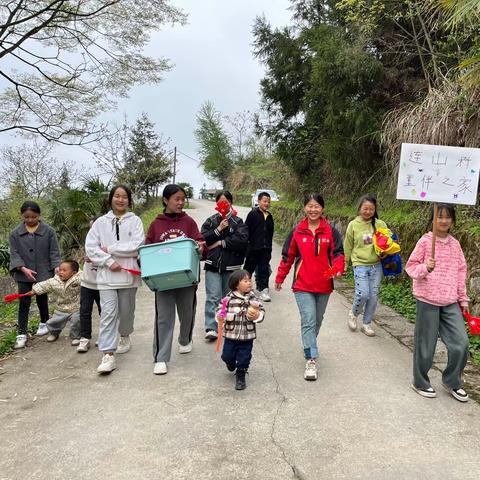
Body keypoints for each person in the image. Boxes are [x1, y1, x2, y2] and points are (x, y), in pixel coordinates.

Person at [275, 194, 344, 381]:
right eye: (309, 206)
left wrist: (337, 269)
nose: (313, 210)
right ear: (304, 208)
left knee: (317, 320)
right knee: (309, 319)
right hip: (302, 284)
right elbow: (287, 256)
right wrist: (280, 277)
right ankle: (311, 359)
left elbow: (338, 253)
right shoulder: (297, 231)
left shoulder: (331, 231)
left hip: (324, 284)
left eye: (317, 206)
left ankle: (308, 342)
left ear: (322, 208)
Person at [406, 203, 470, 402]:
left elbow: (461, 272)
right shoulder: (425, 242)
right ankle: (420, 381)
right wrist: (426, 267)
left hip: (450, 300)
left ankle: (452, 381)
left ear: (453, 220)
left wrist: (463, 298)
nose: (443, 221)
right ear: (433, 219)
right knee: (426, 344)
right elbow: (411, 267)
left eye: (447, 217)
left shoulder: (455, 244)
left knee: (461, 343)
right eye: (439, 217)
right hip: (427, 299)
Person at [145, 184, 205, 376]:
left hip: (186, 279)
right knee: (163, 318)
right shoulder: (156, 224)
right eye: (176, 199)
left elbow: (200, 241)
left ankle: (185, 339)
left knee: (187, 313)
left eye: (182, 199)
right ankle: (161, 358)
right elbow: (147, 249)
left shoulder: (188, 222)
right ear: (165, 200)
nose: (180, 203)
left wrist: (201, 247)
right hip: (163, 280)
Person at [85, 185, 144, 374]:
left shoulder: (135, 221)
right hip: (106, 277)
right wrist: (108, 261)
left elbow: (137, 246)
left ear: (129, 200)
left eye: (124, 197)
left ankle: (125, 335)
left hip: (129, 276)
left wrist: (109, 249)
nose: (120, 200)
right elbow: (91, 247)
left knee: (127, 312)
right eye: (117, 196)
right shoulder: (100, 222)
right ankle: (108, 354)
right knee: (108, 313)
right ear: (111, 199)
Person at [9, 200, 61, 349]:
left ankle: (44, 322)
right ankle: (22, 333)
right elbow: (14, 253)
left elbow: (54, 251)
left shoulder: (49, 231)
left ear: (39, 215)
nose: (30, 220)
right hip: (23, 272)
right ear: (22, 216)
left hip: (43, 270)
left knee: (41, 298)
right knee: (24, 301)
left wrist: (56, 266)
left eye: (34, 217)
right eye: (27, 217)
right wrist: (22, 268)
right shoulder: (14, 234)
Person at [201, 191, 248, 341]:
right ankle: (211, 327)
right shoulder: (211, 221)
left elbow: (242, 241)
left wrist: (222, 242)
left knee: (228, 298)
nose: (223, 205)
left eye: (226, 202)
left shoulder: (238, 222)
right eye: (220, 202)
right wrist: (218, 229)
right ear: (216, 204)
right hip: (212, 265)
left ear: (231, 203)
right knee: (213, 297)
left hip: (232, 268)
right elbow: (203, 239)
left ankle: (228, 324)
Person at [343, 195, 389, 337]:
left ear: (375, 210)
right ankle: (353, 313)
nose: (368, 211)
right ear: (359, 209)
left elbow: (388, 242)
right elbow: (348, 246)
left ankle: (367, 323)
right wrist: (344, 264)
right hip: (359, 264)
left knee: (373, 297)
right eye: (365, 208)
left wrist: (385, 252)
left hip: (376, 265)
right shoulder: (353, 225)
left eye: (371, 209)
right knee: (363, 293)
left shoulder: (380, 224)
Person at [216, 269, 265, 390]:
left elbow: (262, 310)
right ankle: (230, 362)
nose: (249, 283)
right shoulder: (228, 299)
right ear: (236, 284)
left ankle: (241, 374)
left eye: (250, 280)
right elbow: (219, 310)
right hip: (230, 335)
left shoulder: (253, 299)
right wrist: (220, 316)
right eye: (245, 281)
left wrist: (258, 315)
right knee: (227, 355)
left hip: (247, 336)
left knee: (245, 357)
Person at [28, 260, 82, 343]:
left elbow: (87, 280)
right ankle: (54, 333)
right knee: (54, 322)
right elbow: (44, 285)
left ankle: (76, 336)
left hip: (76, 307)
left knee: (77, 321)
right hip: (61, 307)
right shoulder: (54, 281)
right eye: (60, 270)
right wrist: (34, 291)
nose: (61, 272)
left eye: (64, 270)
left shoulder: (78, 279)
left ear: (73, 273)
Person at [244, 191, 274, 302]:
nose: (267, 204)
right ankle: (245, 290)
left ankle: (264, 291)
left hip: (265, 249)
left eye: (268, 202)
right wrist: (247, 246)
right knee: (248, 270)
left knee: (263, 270)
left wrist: (270, 247)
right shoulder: (252, 214)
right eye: (265, 201)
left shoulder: (270, 216)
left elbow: (270, 234)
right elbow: (246, 230)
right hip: (253, 248)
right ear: (259, 201)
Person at [77, 217, 101, 353]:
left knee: (104, 311)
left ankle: (104, 336)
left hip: (102, 283)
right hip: (87, 282)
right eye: (91, 227)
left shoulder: (108, 240)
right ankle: (85, 338)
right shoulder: (89, 240)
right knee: (85, 311)